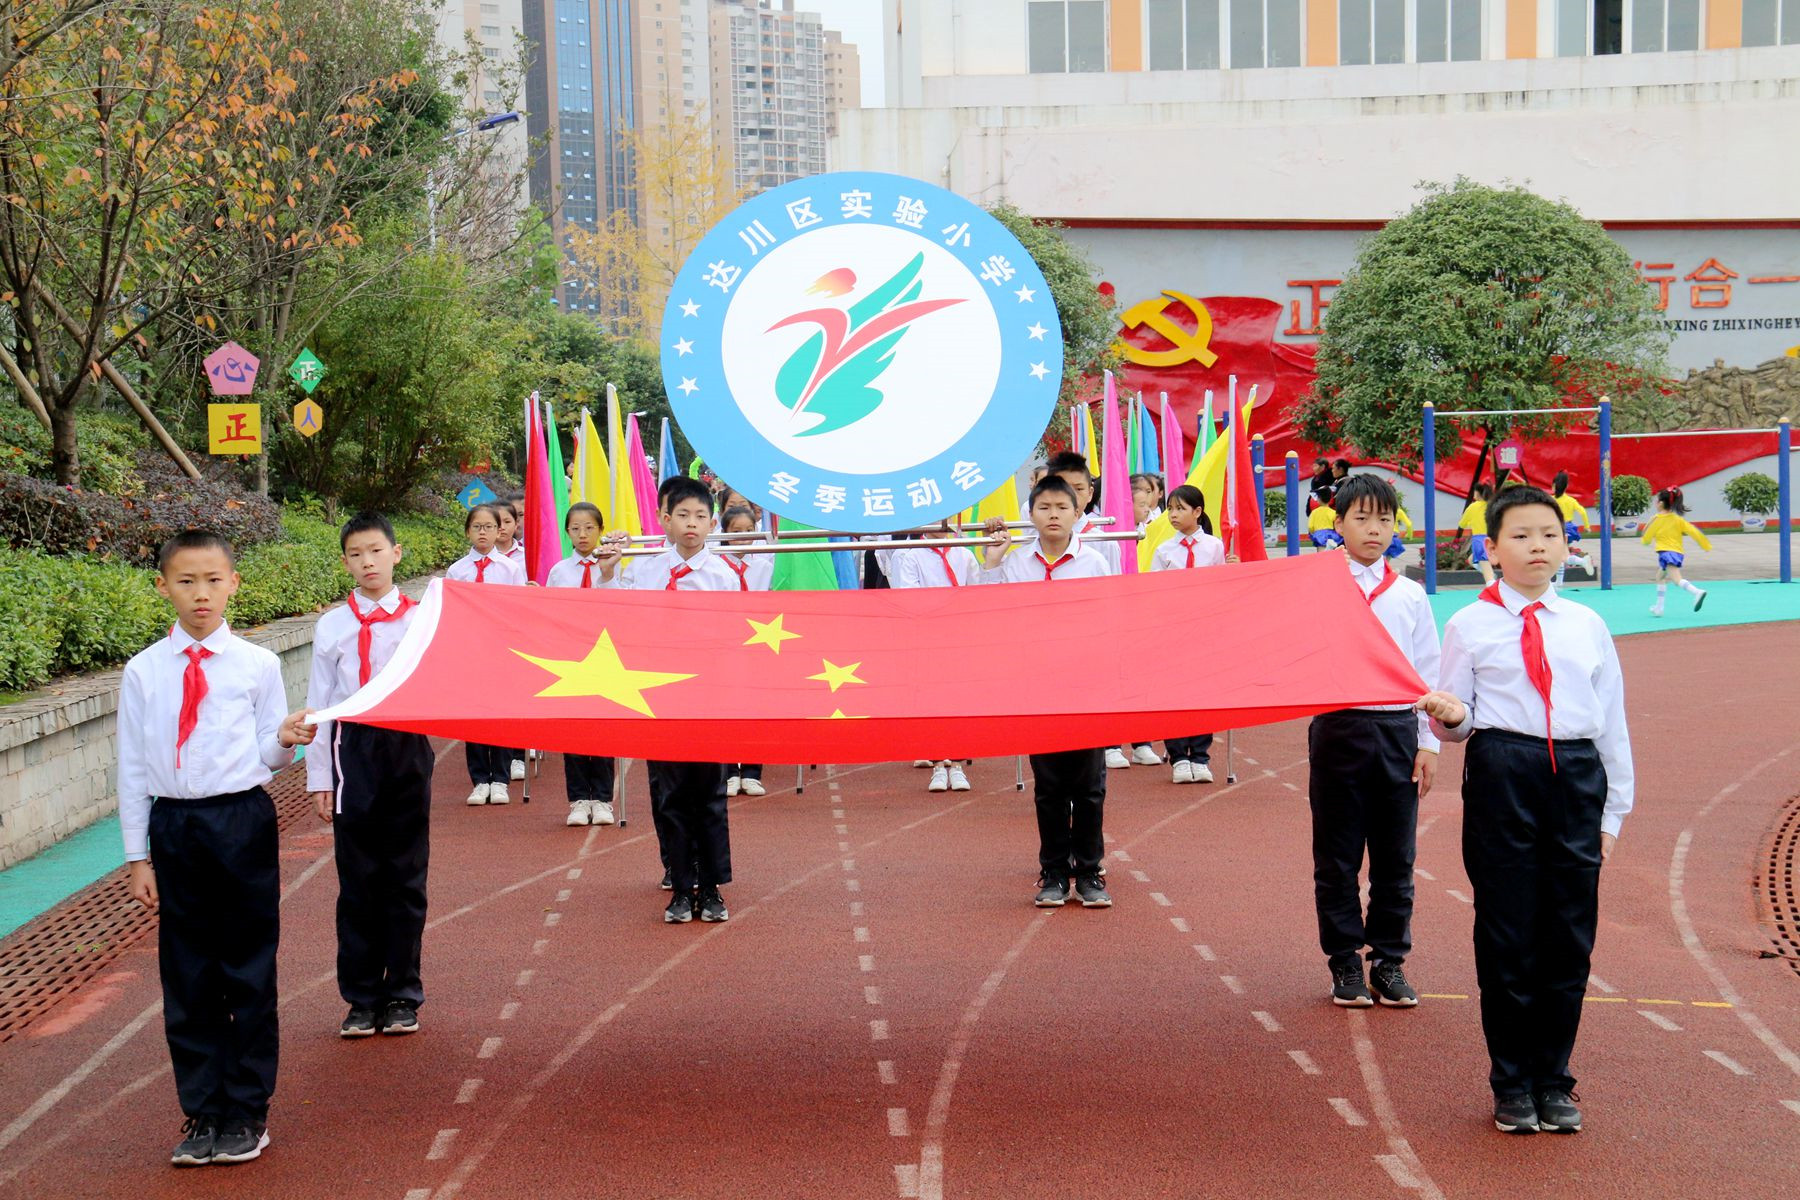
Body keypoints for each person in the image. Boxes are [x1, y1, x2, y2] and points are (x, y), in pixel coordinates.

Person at [1417, 485, 1634, 1137]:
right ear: (1492, 549)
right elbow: (1455, 716)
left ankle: (1554, 1078)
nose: (1538, 545)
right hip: (1502, 773)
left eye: (1550, 534)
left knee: (1569, 934)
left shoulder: (1587, 626)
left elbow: (1612, 724)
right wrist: (1453, 720)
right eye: (1521, 535)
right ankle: (1511, 1082)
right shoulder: (1469, 624)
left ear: (1567, 545)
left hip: (1576, 776)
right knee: (1508, 932)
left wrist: (1613, 813)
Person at [120, 531, 315, 1167]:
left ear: (233, 583)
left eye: (211, 580)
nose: (199, 594)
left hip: (241, 821)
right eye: (185, 581)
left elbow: (267, 753)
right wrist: (136, 856)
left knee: (247, 968)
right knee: (188, 973)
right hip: (174, 827)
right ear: (163, 588)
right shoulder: (144, 670)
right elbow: (130, 767)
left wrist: (285, 740)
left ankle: (248, 1111)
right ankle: (202, 1110)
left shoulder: (256, 665)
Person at [1307, 476, 1441, 1010]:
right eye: (1361, 518)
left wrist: (1428, 742)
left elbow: (1427, 673)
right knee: (1337, 856)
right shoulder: (1317, 585)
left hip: (1398, 733)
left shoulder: (1408, 595)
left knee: (1395, 856)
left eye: (1384, 519)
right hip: (1339, 728)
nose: (1374, 529)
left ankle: (1388, 961)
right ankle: (1343, 959)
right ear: (1336, 524)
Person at [306, 512, 436, 1039]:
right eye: (357, 554)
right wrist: (320, 776)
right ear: (345, 563)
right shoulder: (332, 626)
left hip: (405, 744)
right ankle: (361, 998)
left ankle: (403, 994)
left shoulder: (422, 618)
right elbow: (320, 702)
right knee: (358, 881)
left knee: (405, 876)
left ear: (396, 554)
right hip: (350, 747)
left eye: (377, 551)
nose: (368, 562)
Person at [596, 477, 748, 924]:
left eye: (701, 516)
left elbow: (741, 635)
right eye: (682, 515)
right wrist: (607, 573)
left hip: (709, 699)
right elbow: (614, 617)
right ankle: (681, 886)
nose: (691, 524)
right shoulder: (644, 571)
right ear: (665, 519)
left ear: (712, 522)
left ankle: (713, 887)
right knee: (672, 794)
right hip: (659, 698)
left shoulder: (726, 575)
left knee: (711, 793)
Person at [973, 476, 1115, 909]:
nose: (1053, 515)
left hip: (1083, 686)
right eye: (1044, 507)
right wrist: (992, 561)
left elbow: (1110, 620)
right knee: (1049, 786)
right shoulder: (1016, 564)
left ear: (1077, 513)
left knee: (1090, 786)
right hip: (1037, 687)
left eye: (1061, 507)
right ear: (1030, 515)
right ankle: (1053, 872)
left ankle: (1089, 872)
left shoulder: (1093, 562)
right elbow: (989, 614)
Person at [1148, 484, 1233, 783]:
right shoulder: (1163, 550)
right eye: (1170, 508)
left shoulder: (1214, 546)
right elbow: (1154, 593)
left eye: (1181, 508)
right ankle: (1178, 756)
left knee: (1203, 693)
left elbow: (1221, 586)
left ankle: (1200, 755)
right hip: (1173, 630)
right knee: (1174, 692)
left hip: (1204, 629)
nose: (1173, 514)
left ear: (1198, 512)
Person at [888, 522, 980, 792]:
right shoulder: (911, 554)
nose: (943, 523)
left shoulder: (964, 554)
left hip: (959, 639)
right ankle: (939, 766)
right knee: (933, 702)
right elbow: (909, 597)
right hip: (928, 638)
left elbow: (977, 593)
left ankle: (959, 765)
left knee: (959, 703)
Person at [547, 502, 619, 827]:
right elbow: (549, 613)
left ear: (600, 530)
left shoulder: (614, 566)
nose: (583, 534)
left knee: (603, 729)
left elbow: (619, 610)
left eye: (590, 527)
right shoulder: (559, 571)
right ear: (567, 532)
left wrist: (607, 575)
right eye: (576, 528)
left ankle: (603, 799)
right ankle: (578, 799)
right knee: (573, 729)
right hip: (571, 658)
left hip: (605, 657)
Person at [448, 504, 525, 804]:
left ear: (500, 531)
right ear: (468, 531)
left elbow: (518, 609)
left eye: (489, 527)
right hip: (471, 651)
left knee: (500, 714)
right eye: (477, 527)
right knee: (475, 714)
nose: (483, 532)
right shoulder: (458, 570)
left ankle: (501, 779)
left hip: (501, 650)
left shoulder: (509, 569)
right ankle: (480, 779)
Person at [717, 505, 772, 796]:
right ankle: (728, 770)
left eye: (749, 531)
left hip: (759, 643)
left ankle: (751, 771)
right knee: (726, 706)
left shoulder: (766, 562)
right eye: (736, 532)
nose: (743, 537)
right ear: (723, 533)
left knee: (755, 707)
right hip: (726, 643)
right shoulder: (715, 565)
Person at [1641, 485, 1710, 615]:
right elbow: (1694, 531)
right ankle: (1659, 608)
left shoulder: (1656, 519)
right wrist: (1705, 545)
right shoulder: (1678, 519)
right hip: (1676, 552)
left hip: (1666, 553)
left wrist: (1645, 537)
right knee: (1660, 576)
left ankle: (1697, 592)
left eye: (1657, 501)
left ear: (1661, 503)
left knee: (1677, 579)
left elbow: (1646, 539)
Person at [1550, 472, 1596, 580]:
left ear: (1554, 485)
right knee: (1561, 555)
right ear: (1566, 486)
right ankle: (1559, 582)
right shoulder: (1571, 500)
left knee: (1560, 556)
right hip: (1569, 529)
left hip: (1556, 529)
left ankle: (1581, 562)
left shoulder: (1551, 500)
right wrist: (1587, 526)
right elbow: (1583, 512)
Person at [1458, 483, 1496, 585]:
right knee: (1471, 560)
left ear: (1478, 493)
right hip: (1494, 539)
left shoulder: (1473, 507)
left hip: (1480, 541)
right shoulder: (1493, 506)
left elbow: (1462, 524)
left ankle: (1493, 587)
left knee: (1488, 576)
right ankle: (1490, 577)